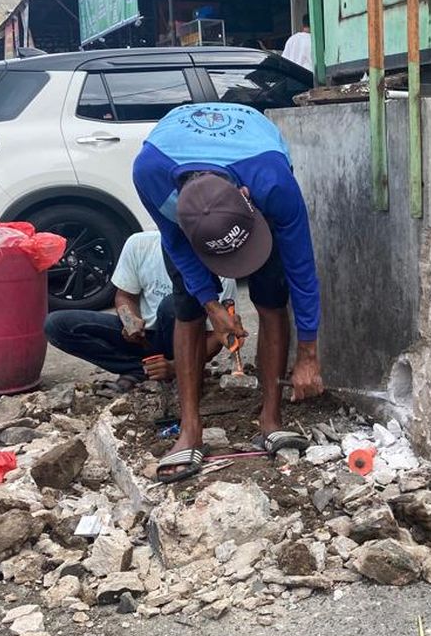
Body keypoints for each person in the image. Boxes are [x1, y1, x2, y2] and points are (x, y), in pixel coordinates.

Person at [132, 103, 324, 483]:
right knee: (186, 308)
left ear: (246, 195)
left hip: (253, 167)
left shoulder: (272, 183)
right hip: (182, 198)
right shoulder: (149, 173)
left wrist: (308, 355)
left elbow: (303, 273)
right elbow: (174, 242)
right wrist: (210, 303)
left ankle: (271, 416)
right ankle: (190, 428)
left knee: (271, 297)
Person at [44, 231, 236, 395]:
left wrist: (176, 365)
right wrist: (130, 321)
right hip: (143, 337)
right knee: (56, 324)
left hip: (185, 342)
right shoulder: (140, 244)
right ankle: (140, 369)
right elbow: (124, 296)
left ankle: (180, 371)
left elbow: (217, 336)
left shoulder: (220, 269)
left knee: (173, 305)